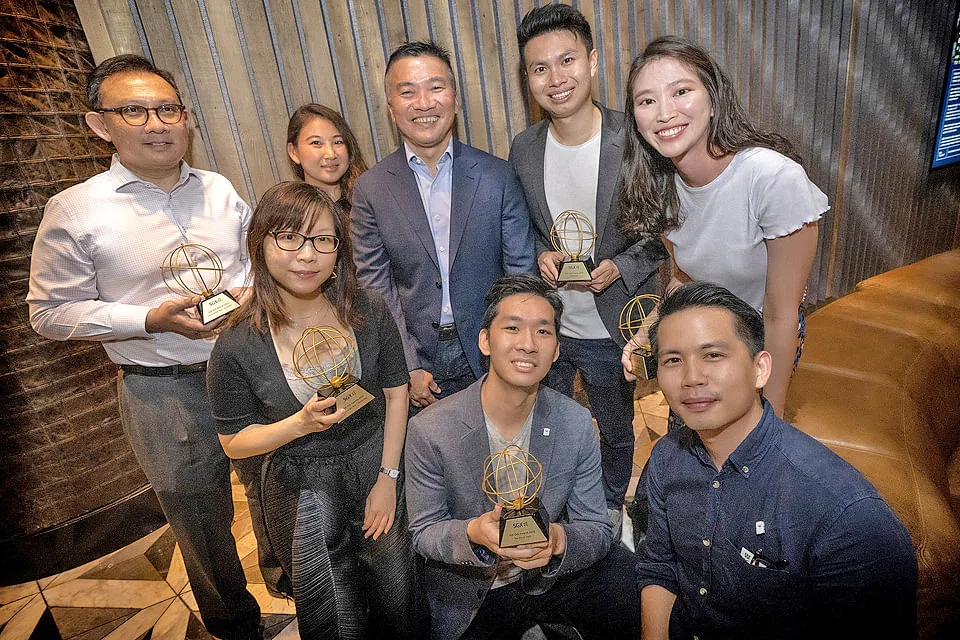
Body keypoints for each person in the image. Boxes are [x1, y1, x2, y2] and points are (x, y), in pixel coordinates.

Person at [26, 55, 261, 639]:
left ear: (186, 118)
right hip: (164, 392)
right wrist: (149, 319)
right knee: (198, 515)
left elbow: (254, 259)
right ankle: (233, 622)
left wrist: (252, 291)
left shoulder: (218, 189)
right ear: (99, 124)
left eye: (167, 110)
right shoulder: (76, 210)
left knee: (271, 482)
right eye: (134, 111)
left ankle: (288, 576)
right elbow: (48, 314)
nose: (156, 124)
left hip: (247, 370)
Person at [635, 281, 918, 639]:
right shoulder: (666, 458)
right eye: (673, 360)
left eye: (713, 355)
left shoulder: (849, 517)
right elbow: (659, 565)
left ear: (760, 368)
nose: (692, 378)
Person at [207, 181, 422, 639]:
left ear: (339, 249)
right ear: (260, 243)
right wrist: (299, 424)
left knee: (397, 594)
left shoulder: (367, 309)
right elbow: (233, 442)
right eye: (289, 237)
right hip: (300, 482)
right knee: (331, 608)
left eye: (323, 240)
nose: (307, 255)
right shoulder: (237, 343)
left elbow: (396, 392)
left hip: (374, 463)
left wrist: (388, 478)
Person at [405, 274, 640, 640]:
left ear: (557, 349)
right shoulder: (430, 429)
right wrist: (475, 532)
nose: (528, 344)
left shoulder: (574, 421)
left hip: (548, 575)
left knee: (631, 583)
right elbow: (424, 531)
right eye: (512, 328)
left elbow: (595, 527)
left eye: (543, 332)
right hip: (477, 587)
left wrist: (557, 541)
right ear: (485, 341)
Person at [509, 4, 667, 523]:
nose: (556, 79)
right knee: (549, 428)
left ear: (592, 61)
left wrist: (619, 266)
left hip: (610, 325)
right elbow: (527, 228)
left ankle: (610, 509)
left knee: (616, 429)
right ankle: (556, 510)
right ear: (528, 78)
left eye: (567, 60)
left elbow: (660, 236)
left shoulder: (634, 139)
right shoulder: (524, 149)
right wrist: (540, 253)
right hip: (551, 324)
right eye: (540, 68)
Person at [618, 36, 828, 416]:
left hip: (760, 340)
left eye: (681, 91)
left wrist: (771, 418)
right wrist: (647, 332)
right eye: (647, 101)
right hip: (701, 336)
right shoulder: (661, 187)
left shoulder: (772, 178)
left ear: (713, 100)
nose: (664, 113)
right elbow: (685, 277)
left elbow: (781, 316)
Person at [351, 41, 535, 412]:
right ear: (391, 108)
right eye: (408, 92)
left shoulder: (497, 176)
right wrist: (406, 365)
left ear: (455, 98)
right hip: (417, 357)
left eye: (435, 87)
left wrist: (508, 348)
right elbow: (376, 288)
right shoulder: (371, 189)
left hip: (489, 349)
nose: (424, 103)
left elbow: (520, 273)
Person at [286, 103, 367, 211]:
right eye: (316, 142)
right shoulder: (289, 214)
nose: (331, 154)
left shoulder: (371, 198)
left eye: (338, 142)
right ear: (294, 152)